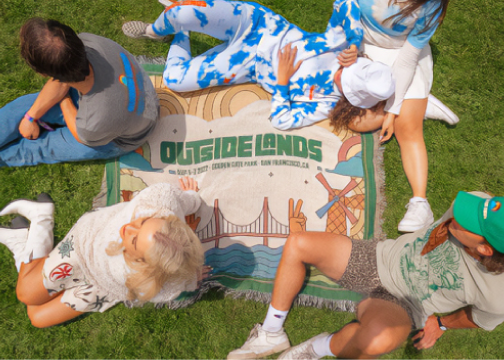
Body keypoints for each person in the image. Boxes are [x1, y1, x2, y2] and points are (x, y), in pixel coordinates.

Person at [227, 191, 504, 359]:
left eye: (467, 223)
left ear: (484, 248)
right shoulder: (478, 204)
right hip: (377, 258)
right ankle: (271, 332)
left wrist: (441, 324)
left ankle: (318, 347)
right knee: (298, 243)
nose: (458, 213)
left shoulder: (499, 295)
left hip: (403, 305)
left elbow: (477, 319)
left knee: (377, 341)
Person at [121, 0, 397, 130]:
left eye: (345, 84)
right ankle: (153, 31)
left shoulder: (327, 102)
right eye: (347, 72)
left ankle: (182, 32)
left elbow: (282, 120)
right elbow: (346, 3)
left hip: (246, 64)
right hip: (258, 25)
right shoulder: (343, 46)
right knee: (181, 12)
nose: (340, 76)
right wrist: (353, 41)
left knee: (174, 80)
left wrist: (282, 81)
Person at [0, 177, 206, 328]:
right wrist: (193, 196)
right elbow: (183, 201)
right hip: (82, 248)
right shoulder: (161, 199)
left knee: (36, 318)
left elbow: (169, 284)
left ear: (142, 264)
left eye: (133, 240)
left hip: (101, 286)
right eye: (143, 221)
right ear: (169, 220)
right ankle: (40, 221)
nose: (126, 228)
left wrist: (188, 275)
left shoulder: (146, 282)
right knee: (25, 294)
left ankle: (24, 239)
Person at [349, 0, 456, 232]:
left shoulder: (432, 4)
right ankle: (419, 105)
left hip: (405, 55)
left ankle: (420, 204)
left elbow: (408, 58)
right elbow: (347, 15)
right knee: (356, 122)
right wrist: (352, 50)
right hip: (365, 47)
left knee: (407, 128)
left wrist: (392, 110)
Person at [0, 18, 159, 167]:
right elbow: (60, 85)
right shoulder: (88, 43)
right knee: (20, 108)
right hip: (120, 102)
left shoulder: (94, 122)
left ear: (44, 74)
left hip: (119, 137)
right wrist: (30, 116)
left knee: (40, 147)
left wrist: (63, 98)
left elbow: (80, 134)